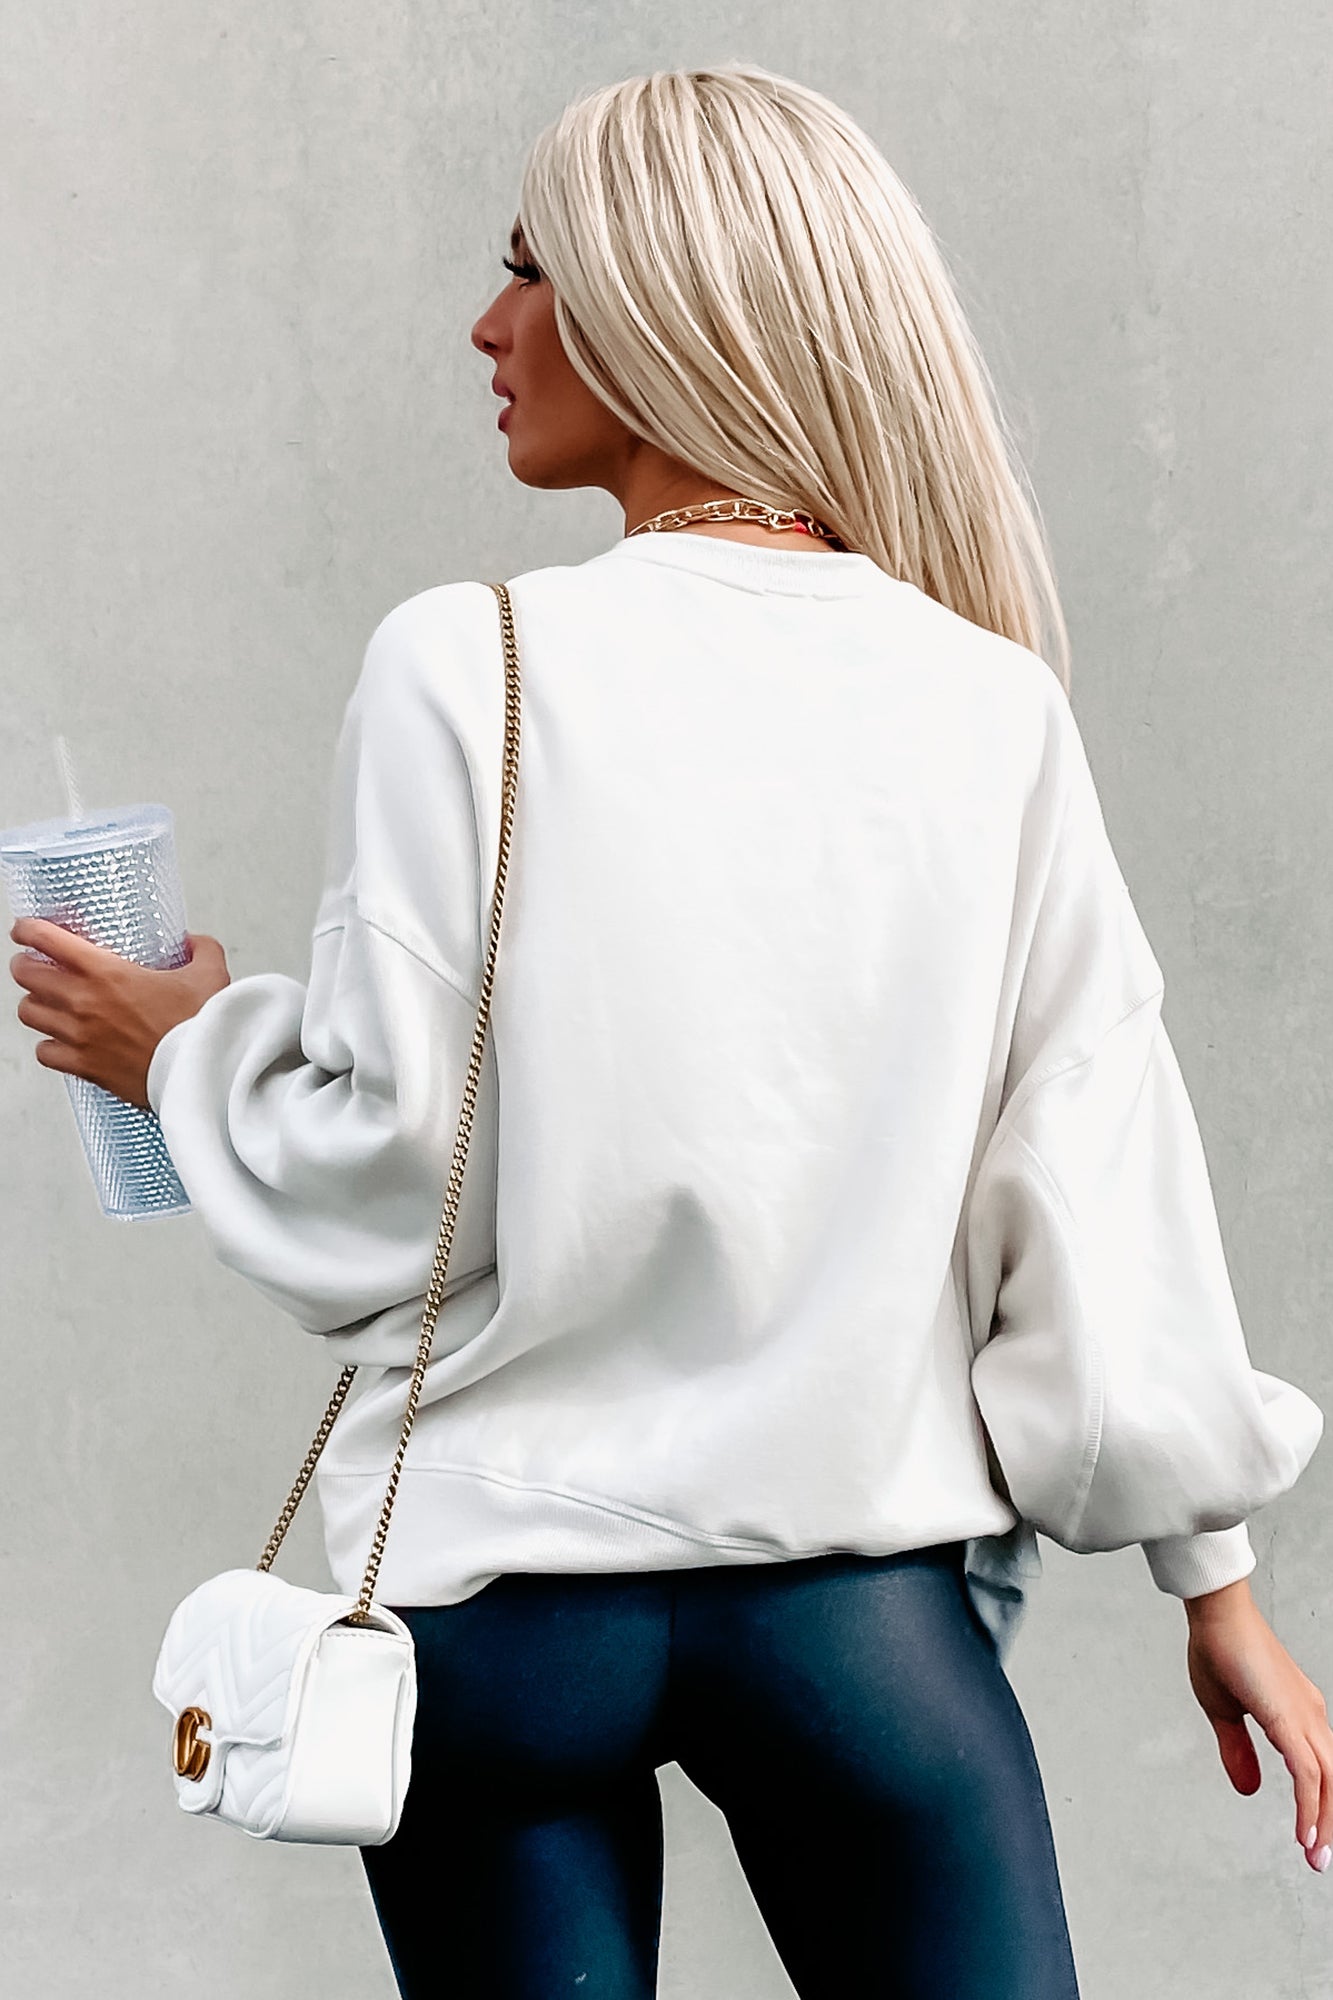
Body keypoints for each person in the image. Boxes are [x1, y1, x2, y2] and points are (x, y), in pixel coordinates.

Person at [10, 59, 1331, 2000]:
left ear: (662, 299)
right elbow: (1092, 1177)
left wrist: (184, 1050)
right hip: (854, 1622)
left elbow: (386, 1190)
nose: (486, 325)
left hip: (495, 1618)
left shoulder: (466, 662)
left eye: (528, 267)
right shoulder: (986, 704)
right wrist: (1214, 1586)